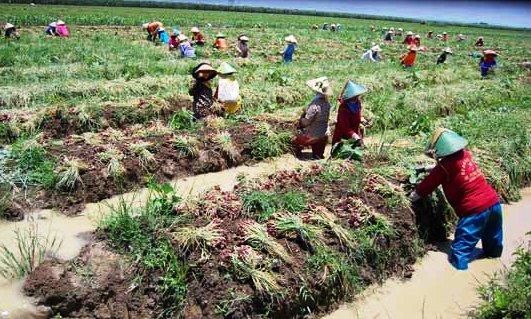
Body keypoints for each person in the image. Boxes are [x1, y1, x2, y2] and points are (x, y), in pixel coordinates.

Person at [410, 128, 502, 270]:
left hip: (473, 212)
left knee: (460, 251)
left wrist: (413, 197)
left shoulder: (443, 169)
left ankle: (460, 274)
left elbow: (426, 186)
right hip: (494, 204)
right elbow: (454, 167)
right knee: (493, 241)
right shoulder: (465, 155)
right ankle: (495, 264)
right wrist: (431, 168)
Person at [293, 76, 332, 160]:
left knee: (293, 140)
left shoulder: (315, 104)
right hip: (323, 134)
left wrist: (300, 121)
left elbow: (306, 122)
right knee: (318, 152)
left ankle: (297, 153)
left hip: (312, 136)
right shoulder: (327, 104)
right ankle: (318, 154)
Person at [332, 80, 367, 146]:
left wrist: (361, 119)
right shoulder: (344, 108)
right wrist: (355, 136)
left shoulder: (357, 103)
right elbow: (345, 127)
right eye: (355, 96)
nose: (357, 97)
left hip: (355, 131)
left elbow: (357, 114)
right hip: (342, 136)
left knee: (360, 151)